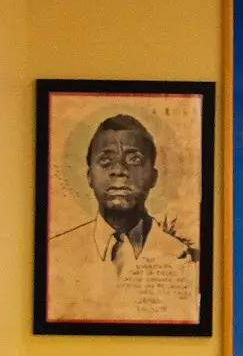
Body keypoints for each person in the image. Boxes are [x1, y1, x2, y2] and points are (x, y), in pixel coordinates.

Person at [46, 114, 200, 323]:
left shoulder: (185, 257)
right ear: (89, 176)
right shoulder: (56, 252)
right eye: (106, 161)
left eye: (134, 159)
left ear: (153, 177)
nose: (119, 170)